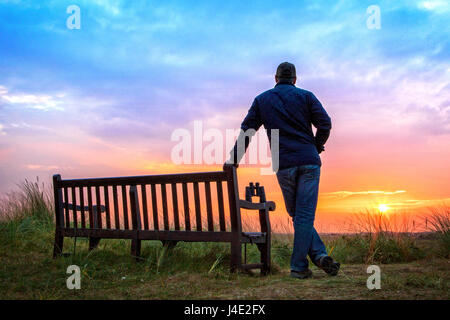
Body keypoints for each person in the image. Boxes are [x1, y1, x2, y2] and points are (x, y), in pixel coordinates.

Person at [225, 62, 340, 279]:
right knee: (301, 215)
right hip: (309, 162)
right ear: (295, 79)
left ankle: (303, 264)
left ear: (275, 78)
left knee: (298, 214)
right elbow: (325, 123)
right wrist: (316, 146)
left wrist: (233, 160)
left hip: (284, 163)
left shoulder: (262, 100)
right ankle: (316, 257)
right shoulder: (306, 96)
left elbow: (247, 131)